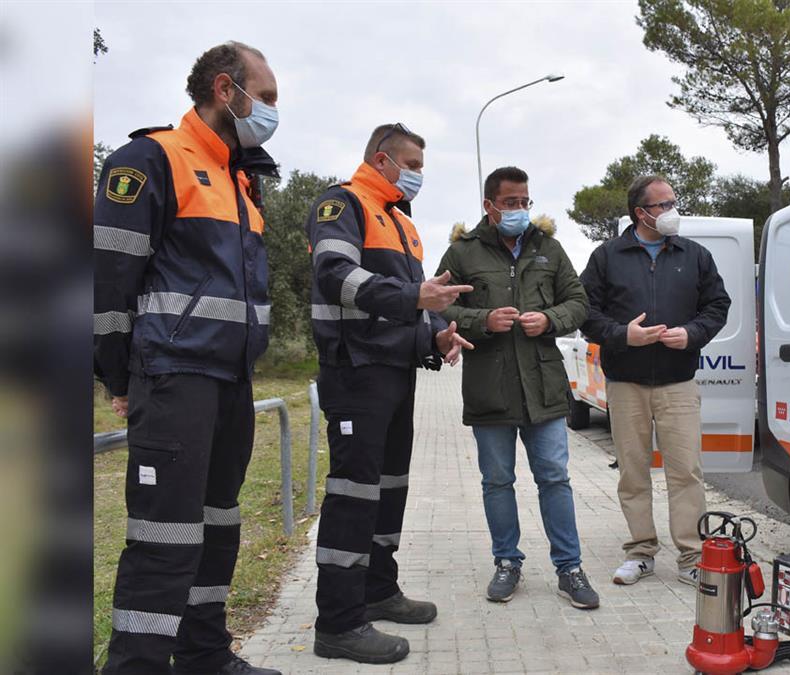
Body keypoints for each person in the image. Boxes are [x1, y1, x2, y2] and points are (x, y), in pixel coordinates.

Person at [94, 41, 282, 675]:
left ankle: (204, 655)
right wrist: (120, 376)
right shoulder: (149, 159)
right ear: (226, 90)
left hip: (232, 379)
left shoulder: (241, 178)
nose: (273, 111)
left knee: (218, 525)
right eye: (268, 96)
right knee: (163, 537)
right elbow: (110, 282)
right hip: (173, 378)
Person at [306, 123, 473, 664]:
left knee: (389, 488)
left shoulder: (402, 222)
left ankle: (378, 590)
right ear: (383, 160)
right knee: (354, 494)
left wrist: (436, 335)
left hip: (396, 374)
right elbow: (336, 275)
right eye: (413, 164)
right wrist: (413, 298)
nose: (419, 174)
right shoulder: (342, 203)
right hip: (355, 370)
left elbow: (410, 306)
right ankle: (337, 621)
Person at [435, 166, 599, 609]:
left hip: (544, 388)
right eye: (510, 203)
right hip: (490, 387)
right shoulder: (461, 253)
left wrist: (550, 319)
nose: (520, 210)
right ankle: (507, 562)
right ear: (489, 206)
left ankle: (570, 568)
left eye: (525, 201)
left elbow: (579, 301)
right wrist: (481, 321)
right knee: (497, 481)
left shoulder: (550, 248)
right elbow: (436, 309)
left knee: (554, 479)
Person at [579, 175, 730, 588]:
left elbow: (718, 305)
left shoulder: (695, 255)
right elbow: (584, 311)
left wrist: (693, 334)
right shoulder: (606, 256)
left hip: (678, 382)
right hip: (626, 382)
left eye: (673, 202)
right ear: (640, 213)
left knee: (686, 472)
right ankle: (641, 551)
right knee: (633, 471)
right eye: (662, 205)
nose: (671, 211)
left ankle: (691, 556)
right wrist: (621, 334)